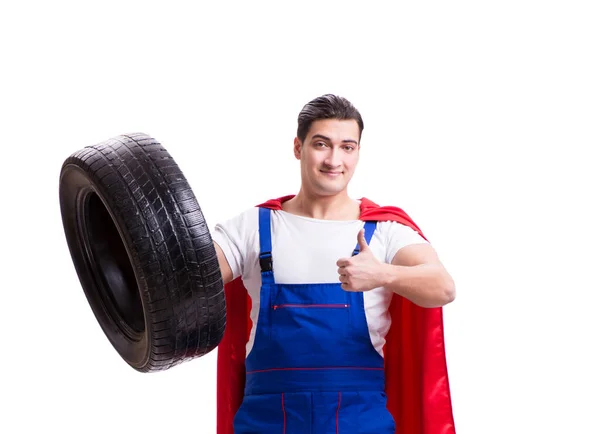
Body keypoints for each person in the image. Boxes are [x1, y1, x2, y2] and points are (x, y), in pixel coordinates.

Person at [211, 94, 456, 434]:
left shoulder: (384, 231)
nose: (333, 160)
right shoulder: (252, 226)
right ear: (298, 147)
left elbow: (443, 287)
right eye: (322, 144)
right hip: (267, 422)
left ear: (357, 152)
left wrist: (382, 274)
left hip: (359, 421)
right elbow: (192, 280)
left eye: (347, 147)